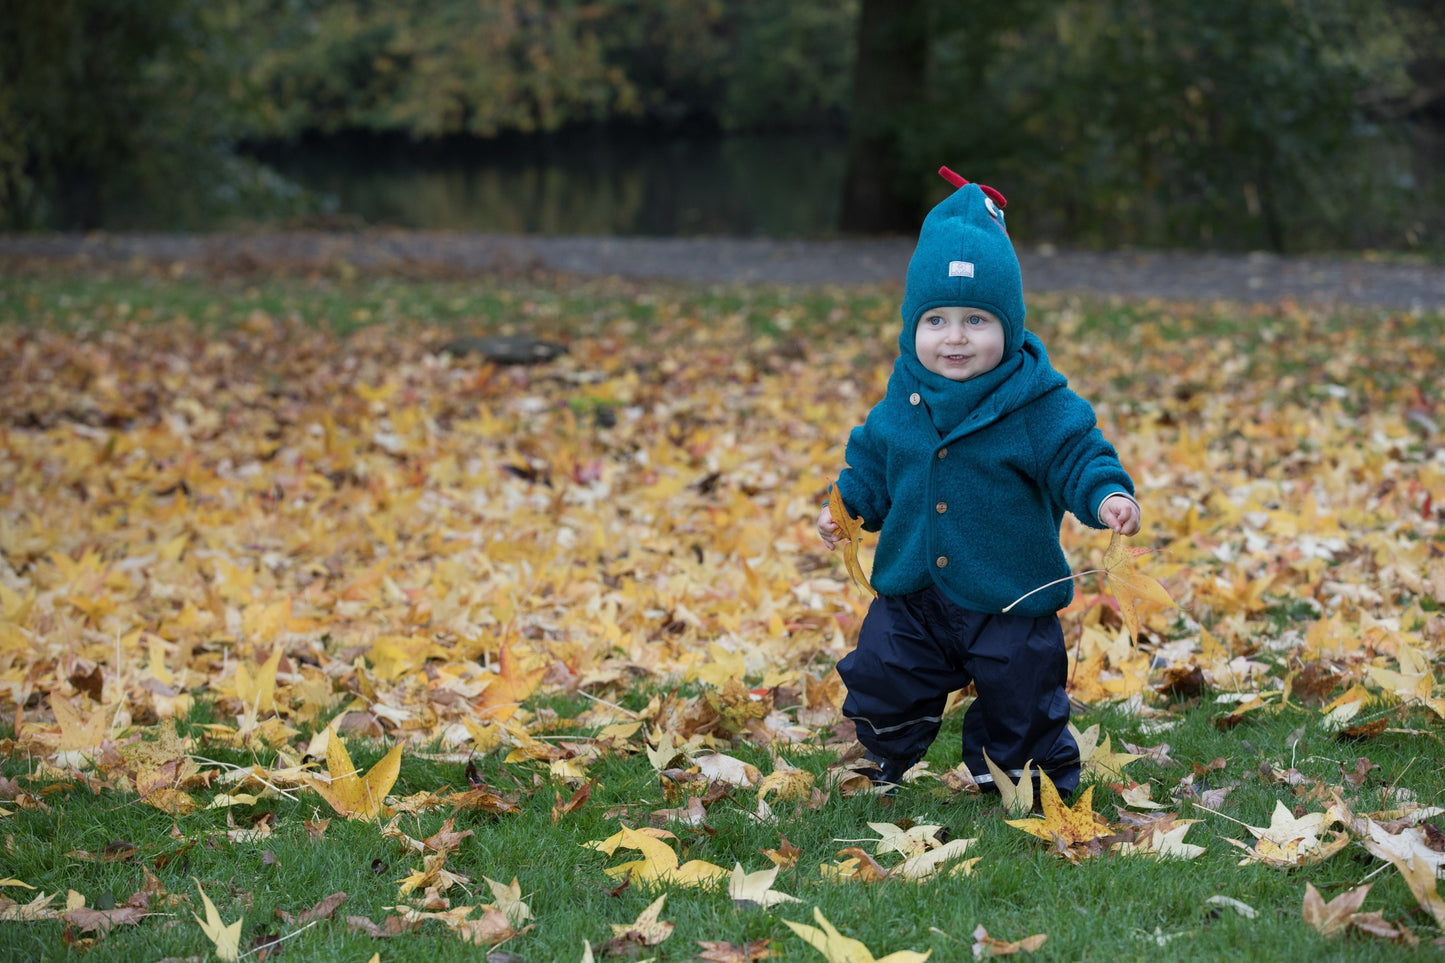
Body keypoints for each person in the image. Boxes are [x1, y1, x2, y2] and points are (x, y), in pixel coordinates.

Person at [817, 167, 1140, 796]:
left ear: (1010, 327)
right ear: (912, 327)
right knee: (883, 672)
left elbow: (1078, 453)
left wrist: (1107, 495)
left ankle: (1019, 771)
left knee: (1021, 691)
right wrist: (847, 509)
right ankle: (882, 753)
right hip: (914, 590)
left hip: (1011, 593)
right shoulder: (902, 401)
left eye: (977, 320)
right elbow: (873, 467)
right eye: (936, 320)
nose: (955, 337)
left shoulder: (1036, 403)